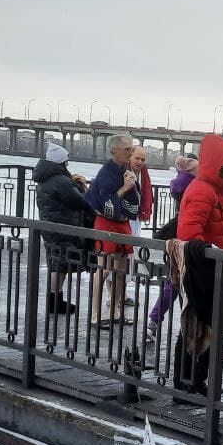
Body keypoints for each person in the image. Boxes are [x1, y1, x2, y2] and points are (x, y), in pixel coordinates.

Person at [173, 134, 223, 397]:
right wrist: (211, 255)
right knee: (196, 328)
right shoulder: (203, 190)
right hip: (202, 271)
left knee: (205, 328)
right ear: (218, 164)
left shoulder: (214, 189)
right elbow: (190, 235)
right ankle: (187, 384)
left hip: (213, 270)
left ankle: (194, 382)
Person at [85, 134, 142, 327]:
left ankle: (115, 312)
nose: (130, 153)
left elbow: (135, 199)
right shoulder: (105, 173)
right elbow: (103, 202)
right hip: (106, 223)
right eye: (127, 150)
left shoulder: (126, 169)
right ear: (114, 150)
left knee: (120, 270)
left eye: (131, 149)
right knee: (103, 269)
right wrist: (126, 187)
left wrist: (132, 186)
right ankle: (95, 315)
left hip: (122, 224)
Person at [33, 143, 95, 315]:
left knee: (57, 264)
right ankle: (55, 302)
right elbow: (80, 201)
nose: (67, 165)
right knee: (60, 266)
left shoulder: (46, 179)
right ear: (60, 163)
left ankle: (56, 300)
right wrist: (82, 187)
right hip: (63, 229)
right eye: (65, 162)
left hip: (52, 227)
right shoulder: (60, 181)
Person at [147, 156, 199, 340]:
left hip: (177, 242)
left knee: (173, 284)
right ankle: (187, 331)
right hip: (192, 243)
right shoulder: (197, 187)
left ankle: (154, 321)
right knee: (189, 287)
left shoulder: (179, 185)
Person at [129, 145, 155, 237]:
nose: (140, 162)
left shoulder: (144, 171)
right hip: (125, 215)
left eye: (142, 160)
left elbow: (148, 192)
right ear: (130, 156)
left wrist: (145, 211)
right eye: (137, 158)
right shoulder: (121, 169)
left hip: (137, 214)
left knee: (135, 237)